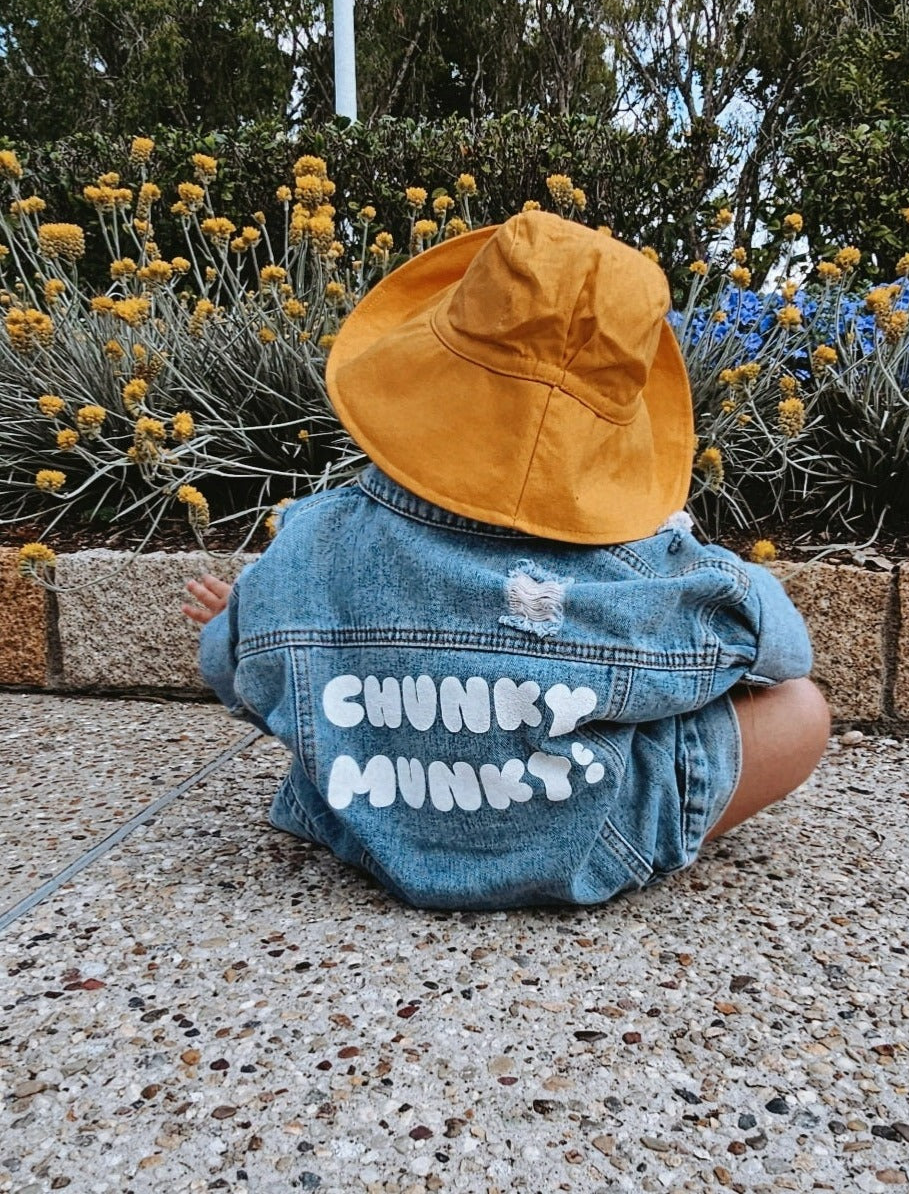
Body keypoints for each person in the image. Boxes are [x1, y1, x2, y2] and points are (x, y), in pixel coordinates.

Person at [184, 211, 830, 910]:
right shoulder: (640, 576)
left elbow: (231, 671)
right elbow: (782, 651)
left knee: (300, 675)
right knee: (801, 710)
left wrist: (247, 620)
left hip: (372, 827)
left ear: (425, 375)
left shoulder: (314, 543)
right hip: (591, 840)